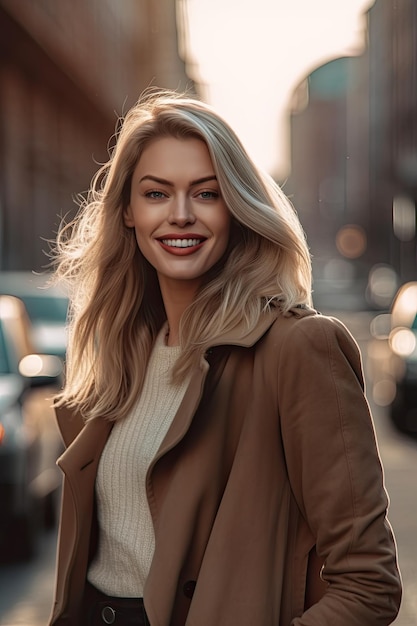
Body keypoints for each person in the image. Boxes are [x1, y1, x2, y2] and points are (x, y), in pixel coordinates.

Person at [49, 88, 401, 626]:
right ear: (127, 212)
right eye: (157, 193)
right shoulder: (120, 355)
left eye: (206, 194)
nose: (181, 215)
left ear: (236, 208)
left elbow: (368, 586)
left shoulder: (297, 349)